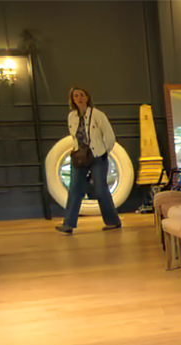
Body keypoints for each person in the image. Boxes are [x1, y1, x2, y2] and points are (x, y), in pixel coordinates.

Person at [55, 87, 122, 235]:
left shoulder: (97, 115)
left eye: (81, 95)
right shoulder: (72, 116)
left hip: (97, 156)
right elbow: (75, 137)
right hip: (79, 156)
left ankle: (113, 221)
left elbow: (109, 136)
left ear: (87, 97)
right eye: (76, 96)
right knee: (74, 189)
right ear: (72, 99)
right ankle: (68, 224)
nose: (79, 98)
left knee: (100, 189)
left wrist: (103, 153)